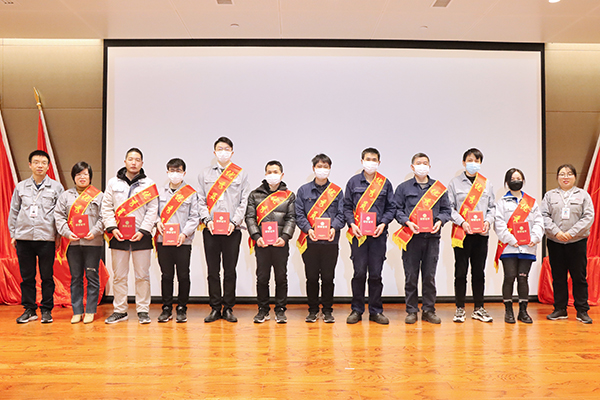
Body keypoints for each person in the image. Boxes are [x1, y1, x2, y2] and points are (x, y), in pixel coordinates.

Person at [102, 148, 159, 324]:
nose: (134, 162)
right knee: (119, 276)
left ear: (142, 163)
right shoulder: (113, 183)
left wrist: (143, 231)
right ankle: (120, 310)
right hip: (118, 236)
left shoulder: (149, 184)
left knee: (142, 276)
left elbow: (152, 210)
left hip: (141, 237)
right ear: (125, 161)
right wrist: (112, 228)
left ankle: (143, 310)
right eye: (131, 159)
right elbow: (106, 207)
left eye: (137, 159)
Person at [394, 153, 451, 324]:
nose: (422, 166)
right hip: (411, 238)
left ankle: (428, 310)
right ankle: (411, 310)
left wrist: (439, 221)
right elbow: (397, 210)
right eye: (419, 163)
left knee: (429, 277)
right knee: (411, 276)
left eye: (425, 163)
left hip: (432, 238)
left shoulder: (438, 189)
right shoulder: (403, 188)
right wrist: (407, 222)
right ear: (412, 167)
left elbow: (446, 210)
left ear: (429, 166)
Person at [197, 137, 250, 323]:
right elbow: (200, 200)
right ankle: (214, 308)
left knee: (229, 270)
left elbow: (244, 201)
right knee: (212, 270)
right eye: (220, 149)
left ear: (232, 152)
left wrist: (234, 222)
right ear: (214, 152)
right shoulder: (204, 174)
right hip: (210, 229)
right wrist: (207, 220)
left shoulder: (241, 174)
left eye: (226, 149)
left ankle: (228, 308)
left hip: (232, 230)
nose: (223, 152)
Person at [9, 150, 64, 324]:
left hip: (46, 238)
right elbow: (14, 211)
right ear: (30, 165)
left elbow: (60, 214)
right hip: (24, 238)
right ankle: (29, 309)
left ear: (48, 166)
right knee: (27, 276)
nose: (40, 165)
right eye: (36, 162)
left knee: (47, 276)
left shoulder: (56, 187)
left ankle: (46, 309)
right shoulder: (21, 187)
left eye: (43, 163)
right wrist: (13, 234)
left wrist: (58, 236)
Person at [344, 148, 396, 325]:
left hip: (378, 235)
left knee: (375, 274)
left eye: (374, 160)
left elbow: (391, 208)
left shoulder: (385, 183)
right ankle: (356, 310)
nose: (371, 162)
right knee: (359, 273)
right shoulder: (353, 182)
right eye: (368, 159)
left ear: (379, 163)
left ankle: (376, 311)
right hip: (358, 235)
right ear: (362, 161)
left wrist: (383, 224)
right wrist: (352, 224)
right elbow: (346, 207)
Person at [447, 148, 496, 323]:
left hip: (481, 235)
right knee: (460, 271)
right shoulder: (454, 183)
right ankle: (460, 308)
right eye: (470, 160)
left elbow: (492, 207)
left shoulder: (486, 184)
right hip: (461, 233)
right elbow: (449, 208)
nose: (473, 163)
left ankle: (478, 308)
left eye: (476, 160)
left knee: (479, 272)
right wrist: (462, 222)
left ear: (480, 163)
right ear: (463, 162)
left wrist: (488, 222)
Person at [541, 164, 594, 324]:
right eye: (562, 174)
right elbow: (544, 216)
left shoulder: (583, 195)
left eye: (569, 174)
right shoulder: (550, 195)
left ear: (574, 177)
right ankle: (560, 309)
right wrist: (557, 232)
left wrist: (572, 233)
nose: (565, 177)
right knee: (558, 277)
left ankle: (582, 310)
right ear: (557, 177)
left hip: (577, 242)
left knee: (579, 277)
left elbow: (588, 217)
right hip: (555, 242)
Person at [295, 154, 345, 323]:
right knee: (311, 278)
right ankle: (313, 310)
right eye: (319, 166)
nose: (322, 170)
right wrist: (308, 229)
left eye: (325, 167)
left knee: (328, 278)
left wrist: (333, 228)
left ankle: (328, 310)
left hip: (330, 242)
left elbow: (342, 214)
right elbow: (299, 214)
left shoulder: (337, 191)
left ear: (330, 169)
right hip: (310, 241)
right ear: (313, 168)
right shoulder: (303, 191)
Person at [245, 160, 296, 324]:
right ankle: (263, 310)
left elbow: (291, 218)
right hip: (262, 244)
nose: (272, 175)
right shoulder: (254, 195)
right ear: (265, 174)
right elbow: (250, 218)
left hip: (281, 243)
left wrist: (285, 237)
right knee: (262, 278)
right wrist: (256, 236)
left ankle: (280, 310)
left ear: (282, 175)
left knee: (281, 277)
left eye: (276, 172)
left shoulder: (289, 196)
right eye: (269, 172)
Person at [54, 162, 104, 324]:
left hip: (93, 242)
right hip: (72, 244)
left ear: (90, 177)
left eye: (85, 174)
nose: (82, 177)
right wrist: (67, 233)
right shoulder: (65, 196)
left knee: (92, 276)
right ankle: (77, 311)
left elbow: (104, 217)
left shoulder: (99, 196)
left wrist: (94, 231)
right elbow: (59, 217)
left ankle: (90, 310)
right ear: (73, 177)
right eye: (78, 174)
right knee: (76, 278)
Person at [494, 168, 544, 324]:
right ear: (507, 182)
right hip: (508, 247)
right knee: (509, 277)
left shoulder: (531, 202)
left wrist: (534, 238)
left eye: (519, 178)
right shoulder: (501, 202)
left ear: (523, 181)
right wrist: (510, 239)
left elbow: (539, 222)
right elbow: (499, 224)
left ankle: (523, 311)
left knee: (523, 278)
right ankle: (508, 310)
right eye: (513, 178)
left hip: (527, 247)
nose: (516, 181)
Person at [155, 158, 200, 323]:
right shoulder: (159, 192)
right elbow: (154, 212)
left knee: (183, 275)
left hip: (183, 241)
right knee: (166, 275)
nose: (175, 174)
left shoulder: (191, 193)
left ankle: (182, 307)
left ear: (184, 173)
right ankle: (166, 308)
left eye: (178, 171)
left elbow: (194, 217)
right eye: (172, 170)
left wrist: (185, 233)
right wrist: (157, 222)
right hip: (163, 240)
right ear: (167, 172)